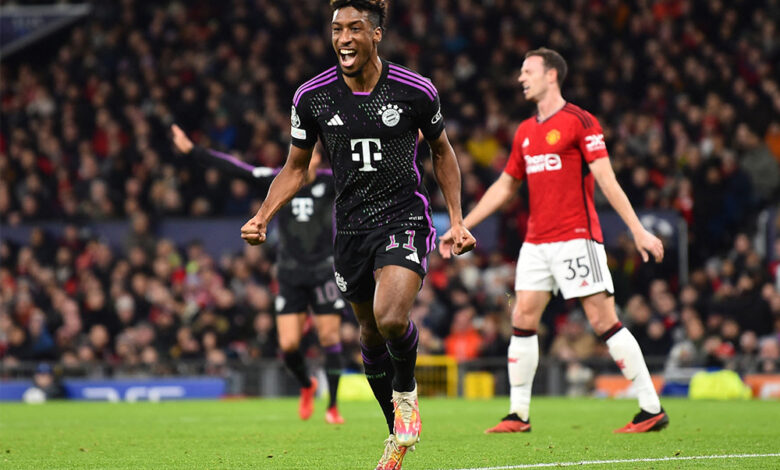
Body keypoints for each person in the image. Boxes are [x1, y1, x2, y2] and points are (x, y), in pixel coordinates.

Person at [239, 1, 476, 468]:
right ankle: (396, 435)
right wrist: (263, 215)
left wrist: (457, 219)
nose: (344, 38)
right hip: (350, 230)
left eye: (354, 29)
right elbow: (295, 167)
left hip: (403, 218)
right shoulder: (312, 97)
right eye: (337, 30)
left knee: (390, 319)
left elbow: (442, 152)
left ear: (376, 34)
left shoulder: (414, 90)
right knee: (369, 334)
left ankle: (406, 396)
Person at [440, 47, 669, 434]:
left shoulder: (580, 121)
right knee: (522, 317)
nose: (520, 78)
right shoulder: (525, 132)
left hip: (577, 238)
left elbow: (606, 179)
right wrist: (461, 223)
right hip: (536, 242)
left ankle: (650, 408)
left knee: (602, 320)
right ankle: (518, 414)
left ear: (551, 75)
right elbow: (505, 186)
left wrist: (637, 229)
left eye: (527, 71)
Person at [170, 125, 346, 425]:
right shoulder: (279, 179)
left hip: (323, 270)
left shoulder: (331, 181)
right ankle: (307, 384)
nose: (304, 159)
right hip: (289, 272)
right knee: (288, 346)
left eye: (311, 156)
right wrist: (193, 151)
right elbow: (237, 169)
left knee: (329, 336)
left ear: (318, 160)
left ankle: (332, 406)